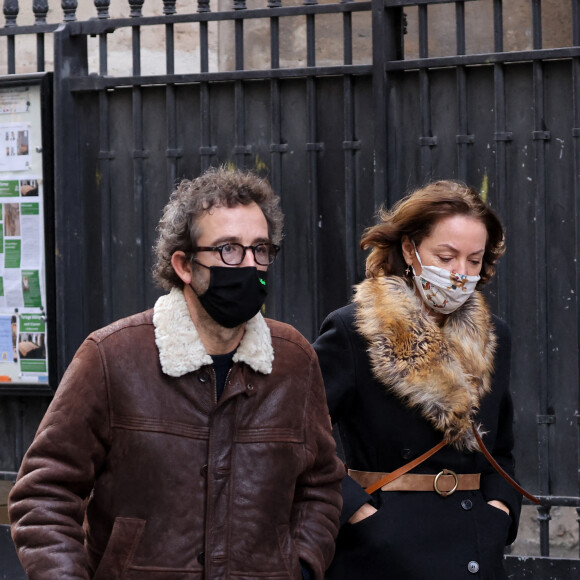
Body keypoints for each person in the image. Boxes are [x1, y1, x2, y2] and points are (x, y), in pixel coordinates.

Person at [9, 167, 344, 579]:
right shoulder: (112, 357)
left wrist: (301, 565)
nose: (250, 264)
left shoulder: (293, 359)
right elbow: (44, 493)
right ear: (184, 264)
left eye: (261, 249)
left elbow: (321, 485)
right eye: (228, 250)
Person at [313, 180, 522, 580]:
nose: (461, 274)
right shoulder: (354, 330)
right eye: (446, 256)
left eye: (474, 261)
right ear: (410, 250)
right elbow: (298, 435)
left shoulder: (494, 335)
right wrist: (360, 514)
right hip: (382, 555)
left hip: (474, 549)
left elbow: (502, 447)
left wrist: (499, 511)